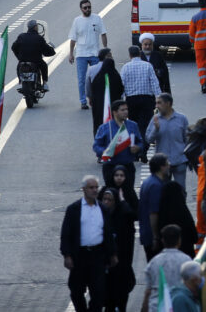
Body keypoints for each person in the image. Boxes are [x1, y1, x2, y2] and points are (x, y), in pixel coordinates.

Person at [61, 174, 116, 312]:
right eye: (91, 187)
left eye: (96, 187)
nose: (94, 190)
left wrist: (112, 253)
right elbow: (66, 234)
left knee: (98, 292)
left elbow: (108, 233)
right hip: (79, 256)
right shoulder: (74, 209)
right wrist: (67, 255)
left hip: (97, 256)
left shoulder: (103, 209)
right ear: (84, 189)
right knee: (76, 290)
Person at [94, 100, 145, 192]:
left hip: (127, 165)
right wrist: (105, 152)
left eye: (126, 109)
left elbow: (140, 142)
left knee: (128, 192)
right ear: (114, 112)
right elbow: (96, 146)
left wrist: (137, 148)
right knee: (112, 193)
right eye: (122, 110)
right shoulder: (105, 127)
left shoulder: (133, 125)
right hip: (111, 165)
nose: (126, 112)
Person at [70, 0, 108, 110]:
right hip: (81, 54)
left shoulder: (97, 18)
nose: (88, 9)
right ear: (81, 9)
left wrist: (105, 50)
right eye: (85, 8)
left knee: (96, 78)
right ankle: (83, 101)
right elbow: (73, 38)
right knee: (82, 79)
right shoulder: (77, 21)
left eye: (89, 7)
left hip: (94, 53)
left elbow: (103, 34)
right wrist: (71, 53)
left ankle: (96, 99)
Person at [143, 224, 191, 312]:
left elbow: (148, 292)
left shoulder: (153, 262)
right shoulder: (187, 260)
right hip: (179, 307)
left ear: (163, 241)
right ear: (179, 241)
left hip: (156, 307)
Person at [147, 95, 191, 189]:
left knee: (181, 191)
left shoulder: (181, 118)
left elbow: (187, 139)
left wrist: (185, 156)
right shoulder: (155, 119)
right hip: (162, 165)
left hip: (179, 161)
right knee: (163, 192)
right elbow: (148, 139)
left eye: (159, 103)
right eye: (156, 103)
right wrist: (156, 129)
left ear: (168, 104)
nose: (157, 106)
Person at [120, 45, 162, 136]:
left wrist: (121, 100)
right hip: (147, 99)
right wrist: (158, 97)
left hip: (131, 100)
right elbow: (154, 83)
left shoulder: (125, 67)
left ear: (130, 55)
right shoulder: (147, 65)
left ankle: (135, 142)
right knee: (146, 124)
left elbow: (122, 85)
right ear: (140, 54)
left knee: (133, 123)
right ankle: (144, 144)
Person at [13, 20, 57, 90]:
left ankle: (20, 81)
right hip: (36, 61)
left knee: (18, 67)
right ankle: (45, 83)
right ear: (35, 27)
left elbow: (14, 47)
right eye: (37, 26)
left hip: (23, 60)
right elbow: (46, 48)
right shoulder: (39, 38)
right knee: (44, 66)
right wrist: (52, 51)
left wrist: (19, 57)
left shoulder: (21, 36)